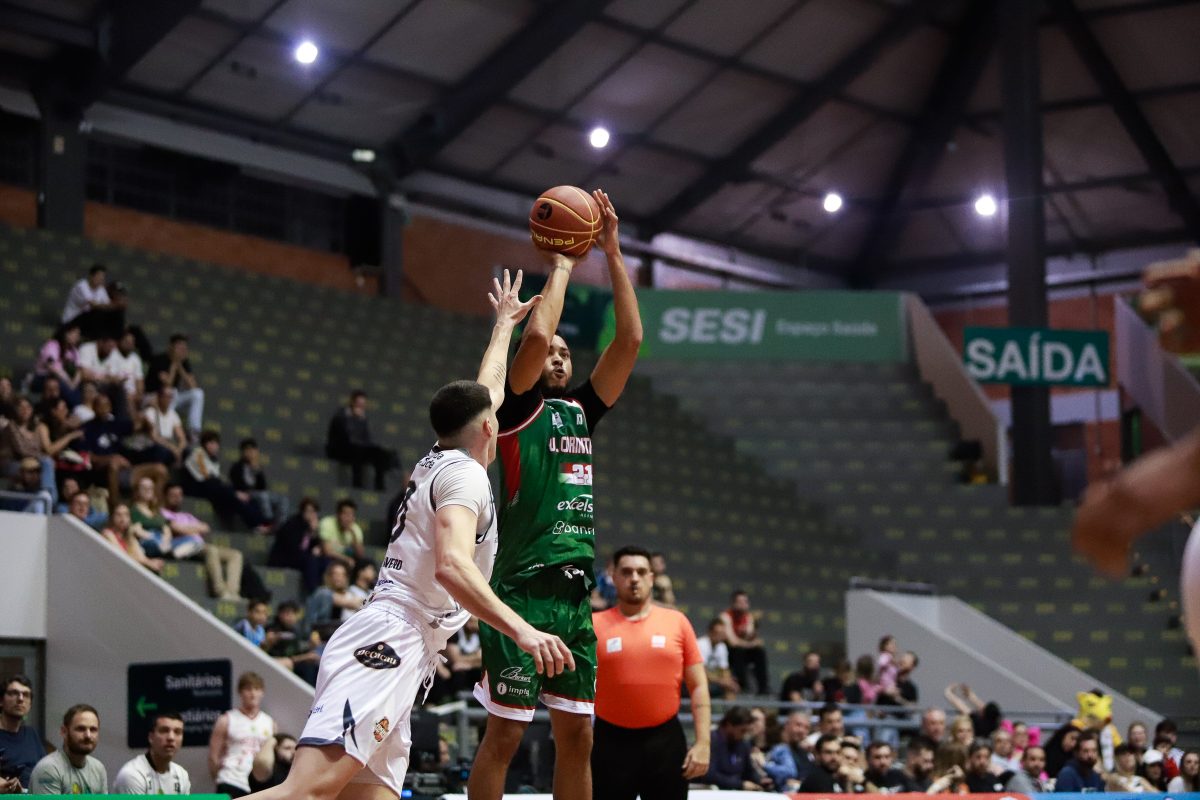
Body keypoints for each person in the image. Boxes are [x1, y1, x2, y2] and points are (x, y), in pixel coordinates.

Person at [243, 269, 573, 800]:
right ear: (489, 427)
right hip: (388, 642)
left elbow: (488, 387)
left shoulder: (445, 454)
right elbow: (452, 565)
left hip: (406, 646)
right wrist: (522, 631)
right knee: (306, 792)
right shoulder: (465, 476)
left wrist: (504, 326)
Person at [469, 192, 642, 800]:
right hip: (520, 590)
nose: (561, 358)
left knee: (579, 739)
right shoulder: (516, 407)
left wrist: (612, 253)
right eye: (554, 355)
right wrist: (565, 262)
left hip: (572, 596)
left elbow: (629, 343)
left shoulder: (581, 413)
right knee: (505, 737)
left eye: (569, 355)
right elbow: (537, 337)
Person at [590, 545, 710, 800]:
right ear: (613, 577)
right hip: (609, 742)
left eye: (641, 572)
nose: (634, 578)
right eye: (626, 572)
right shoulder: (594, 625)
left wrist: (703, 743)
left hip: (665, 741)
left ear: (652, 578)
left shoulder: (677, 622)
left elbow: (698, 685)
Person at [162, 482, 245, 599]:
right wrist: (194, 529)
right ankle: (220, 591)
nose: (177, 498)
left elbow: (205, 528)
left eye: (179, 495)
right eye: (173, 495)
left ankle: (233, 592)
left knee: (235, 555)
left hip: (200, 545)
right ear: (166, 496)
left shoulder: (186, 515)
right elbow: (176, 529)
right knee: (211, 550)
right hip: (185, 546)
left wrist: (188, 529)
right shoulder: (163, 513)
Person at [209, 672, 277, 798]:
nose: (253, 694)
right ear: (240, 692)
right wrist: (219, 779)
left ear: (262, 692)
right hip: (231, 780)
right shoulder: (226, 719)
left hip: (259, 784)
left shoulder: (269, 723)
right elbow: (213, 757)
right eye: (248, 689)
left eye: (257, 689)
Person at [183, 430, 268, 530]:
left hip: (210, 487)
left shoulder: (213, 460)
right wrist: (234, 493)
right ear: (205, 444)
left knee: (244, 498)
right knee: (230, 493)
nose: (214, 446)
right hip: (196, 486)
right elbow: (206, 476)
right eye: (211, 443)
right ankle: (256, 524)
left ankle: (261, 523)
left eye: (216, 443)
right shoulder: (199, 453)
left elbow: (262, 487)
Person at [325, 390, 399, 490]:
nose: (361, 407)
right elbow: (347, 437)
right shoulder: (341, 415)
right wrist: (356, 420)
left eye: (363, 405)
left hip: (357, 448)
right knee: (357, 452)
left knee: (378, 452)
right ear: (352, 402)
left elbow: (366, 439)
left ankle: (379, 486)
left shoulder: (362, 418)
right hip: (340, 449)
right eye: (359, 404)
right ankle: (357, 485)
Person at [29, 704, 106, 794]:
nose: (88, 735)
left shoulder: (98, 768)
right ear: (64, 732)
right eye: (81, 729)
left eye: (93, 729)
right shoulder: (49, 768)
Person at [113, 710, 191, 794]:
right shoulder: (132, 775)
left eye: (177, 732)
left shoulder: (181, 775)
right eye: (164, 730)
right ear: (151, 737)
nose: (171, 737)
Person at [146, 334, 205, 441]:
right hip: (154, 395)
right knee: (170, 391)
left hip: (172, 396)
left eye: (184, 348)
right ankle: (166, 431)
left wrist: (180, 367)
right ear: (171, 347)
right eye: (179, 347)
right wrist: (174, 365)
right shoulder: (159, 359)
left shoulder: (184, 362)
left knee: (198, 393)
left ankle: (193, 431)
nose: (182, 350)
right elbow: (167, 384)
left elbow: (193, 386)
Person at [705, 706, 769, 792]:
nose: (744, 735)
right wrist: (740, 784)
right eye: (742, 731)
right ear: (729, 725)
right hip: (714, 791)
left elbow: (749, 771)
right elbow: (709, 775)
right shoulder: (711, 741)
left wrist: (760, 780)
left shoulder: (743, 744)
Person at [0, 675, 44, 794]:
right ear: (1, 701)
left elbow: (45, 771)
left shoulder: (31, 734)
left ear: (30, 704)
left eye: (26, 694)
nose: (20, 699)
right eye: (14, 693)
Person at [721, 590, 769, 696]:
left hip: (743, 649)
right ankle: (742, 685)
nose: (744, 605)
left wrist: (753, 625)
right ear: (733, 603)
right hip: (728, 652)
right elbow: (732, 642)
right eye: (740, 602)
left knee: (759, 652)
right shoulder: (725, 617)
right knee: (739, 650)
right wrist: (751, 644)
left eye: (746, 602)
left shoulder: (748, 617)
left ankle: (763, 688)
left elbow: (749, 636)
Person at [230, 438, 288, 524]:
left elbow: (263, 486)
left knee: (283, 499)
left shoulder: (257, 466)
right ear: (242, 452)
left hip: (258, 493)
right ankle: (268, 522)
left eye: (253, 450)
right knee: (263, 496)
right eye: (248, 450)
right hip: (246, 493)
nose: (251, 452)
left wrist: (257, 470)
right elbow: (237, 485)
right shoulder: (237, 467)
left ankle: (281, 525)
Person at [101, 502, 165, 573]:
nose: (123, 519)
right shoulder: (107, 533)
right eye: (118, 515)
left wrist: (151, 562)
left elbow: (140, 556)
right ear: (112, 517)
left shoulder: (129, 535)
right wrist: (148, 563)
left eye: (126, 515)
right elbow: (122, 557)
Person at [764, 711, 813, 791]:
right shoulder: (773, 745)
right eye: (798, 725)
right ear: (787, 724)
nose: (802, 730)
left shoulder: (805, 754)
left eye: (806, 728)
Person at [143, 387, 187, 466]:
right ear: (160, 397)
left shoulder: (173, 414)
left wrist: (179, 450)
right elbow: (154, 437)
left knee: (187, 451)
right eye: (167, 396)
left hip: (170, 446)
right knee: (161, 451)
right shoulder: (150, 412)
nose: (169, 399)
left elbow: (181, 437)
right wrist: (173, 448)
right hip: (155, 445)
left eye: (171, 397)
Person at [317, 499, 365, 570]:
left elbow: (360, 555)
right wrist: (346, 559)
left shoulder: (355, 529)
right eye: (345, 514)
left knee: (364, 564)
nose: (348, 518)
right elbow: (327, 551)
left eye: (351, 514)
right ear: (338, 514)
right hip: (330, 558)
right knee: (325, 560)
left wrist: (353, 536)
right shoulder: (327, 523)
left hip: (347, 559)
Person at [697, 618, 738, 699]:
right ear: (710, 632)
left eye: (722, 634)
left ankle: (729, 706)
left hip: (712, 680)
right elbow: (701, 672)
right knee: (723, 687)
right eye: (718, 633)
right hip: (697, 680)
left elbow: (724, 669)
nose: (720, 636)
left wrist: (728, 682)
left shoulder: (722, 646)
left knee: (730, 688)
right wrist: (721, 681)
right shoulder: (701, 644)